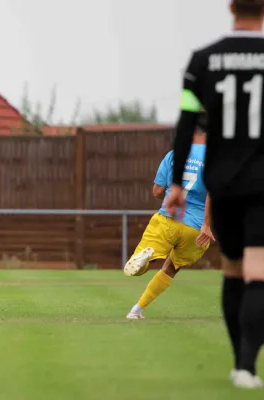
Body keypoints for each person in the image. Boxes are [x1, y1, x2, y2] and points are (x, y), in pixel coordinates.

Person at [165, 0, 264, 389]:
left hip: (221, 185)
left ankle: (239, 361)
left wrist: (176, 184)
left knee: (233, 272)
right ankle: (245, 367)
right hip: (262, 187)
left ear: (230, 7)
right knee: (258, 274)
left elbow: (187, 124)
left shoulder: (202, 60)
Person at [123, 122, 214, 320]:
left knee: (137, 267)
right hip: (194, 227)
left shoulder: (174, 154)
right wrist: (207, 225)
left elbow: (157, 191)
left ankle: (147, 258)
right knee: (171, 268)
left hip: (167, 218)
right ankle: (136, 310)